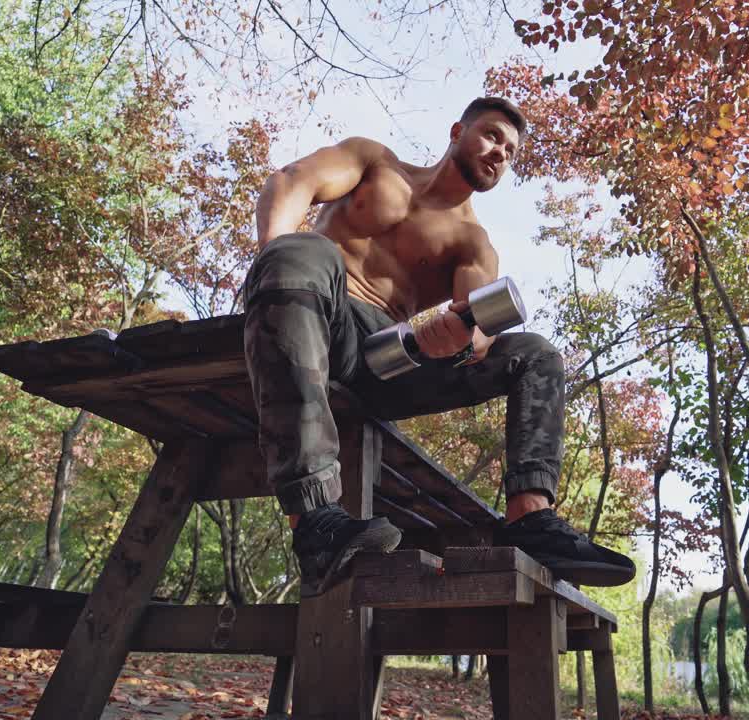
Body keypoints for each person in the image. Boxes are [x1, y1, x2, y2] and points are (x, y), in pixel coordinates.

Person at [244, 96, 636, 596]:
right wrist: (274, 258)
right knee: (304, 248)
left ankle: (530, 519)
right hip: (315, 311)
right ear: (457, 130)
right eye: (493, 135)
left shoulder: (472, 242)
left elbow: (477, 325)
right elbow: (290, 182)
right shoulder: (373, 162)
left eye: (511, 152)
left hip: (388, 357)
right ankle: (317, 520)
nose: (500, 153)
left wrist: (459, 338)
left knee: (535, 353)